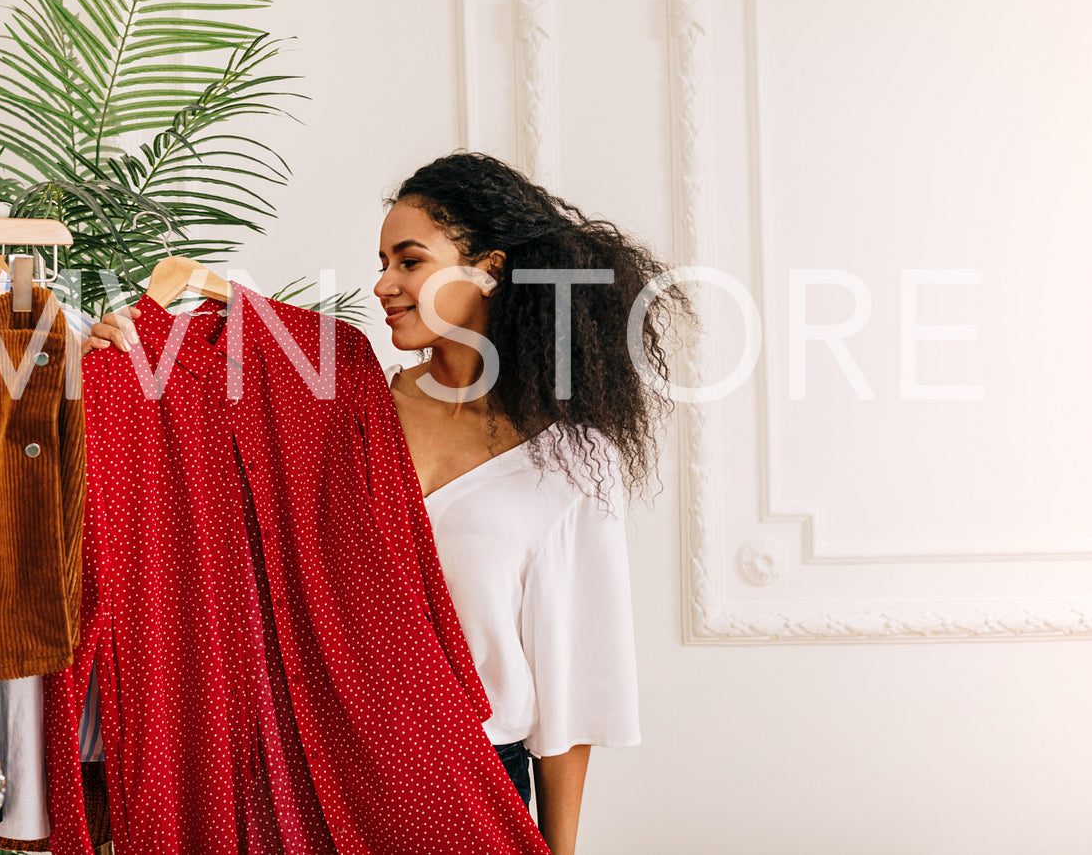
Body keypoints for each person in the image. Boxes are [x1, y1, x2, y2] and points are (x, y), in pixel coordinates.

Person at [86, 152, 688, 855]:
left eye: (409, 261)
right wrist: (117, 360)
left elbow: (572, 691)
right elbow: (200, 512)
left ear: (488, 268)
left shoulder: (572, 462)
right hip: (307, 768)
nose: (382, 285)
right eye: (381, 262)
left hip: (464, 777)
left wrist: (557, 850)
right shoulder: (341, 407)